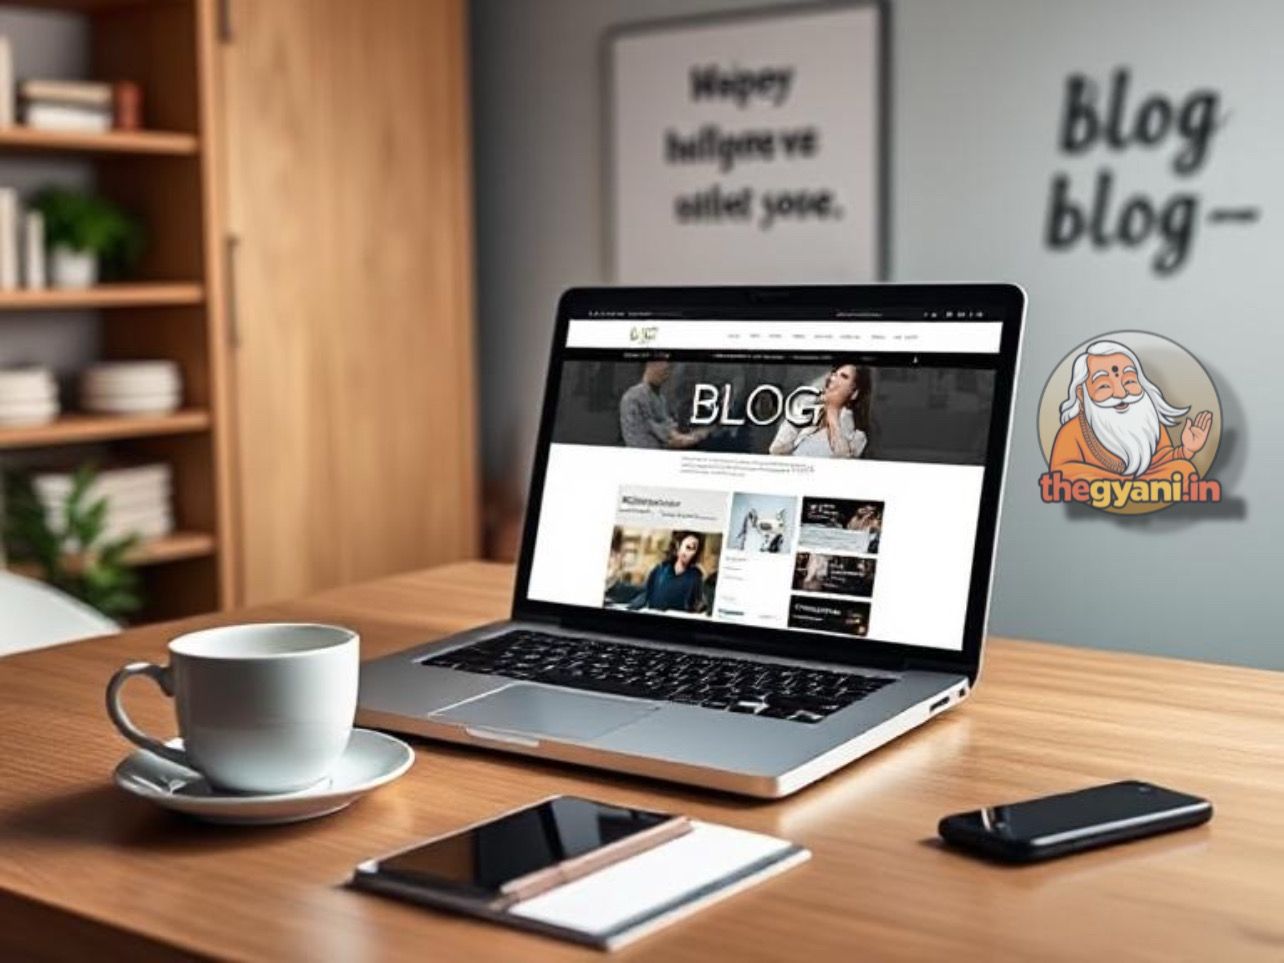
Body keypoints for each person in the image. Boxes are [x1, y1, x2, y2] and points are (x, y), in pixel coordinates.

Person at [1050, 340, 1211, 484]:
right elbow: (1061, 472)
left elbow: (1161, 460)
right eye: (1104, 385)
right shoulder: (1072, 431)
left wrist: (1186, 450)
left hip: (1144, 487)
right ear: (1081, 393)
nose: (1121, 393)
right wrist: (1120, 483)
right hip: (1104, 489)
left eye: (1129, 381)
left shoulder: (1146, 420)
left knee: (1184, 469)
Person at [769, 363, 871, 458]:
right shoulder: (808, 414)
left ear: (854, 393)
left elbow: (842, 459)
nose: (833, 378)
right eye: (834, 374)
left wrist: (832, 411)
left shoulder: (857, 437)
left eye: (844, 376)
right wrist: (802, 409)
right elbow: (775, 449)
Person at [619, 361, 709, 449]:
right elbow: (671, 438)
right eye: (665, 371)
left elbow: (668, 428)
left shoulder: (659, 398)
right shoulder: (637, 395)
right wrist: (698, 436)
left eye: (669, 371)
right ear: (652, 366)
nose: (667, 376)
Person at [628, 531, 708, 613]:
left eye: (692, 549)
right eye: (687, 547)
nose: (687, 552)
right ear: (678, 545)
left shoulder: (695, 577)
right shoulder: (659, 570)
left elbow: (699, 604)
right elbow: (645, 594)